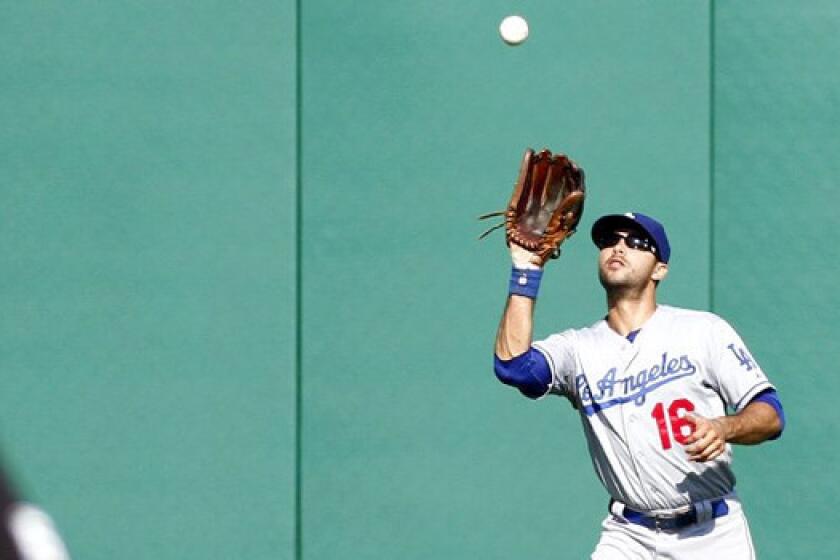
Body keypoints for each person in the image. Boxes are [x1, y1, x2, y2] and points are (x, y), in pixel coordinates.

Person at [493, 212, 785, 559]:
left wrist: (725, 427)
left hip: (713, 533)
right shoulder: (578, 349)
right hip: (629, 536)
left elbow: (771, 413)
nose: (618, 247)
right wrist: (526, 271)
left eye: (635, 242)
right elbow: (514, 367)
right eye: (609, 241)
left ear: (660, 269)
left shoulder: (703, 331)